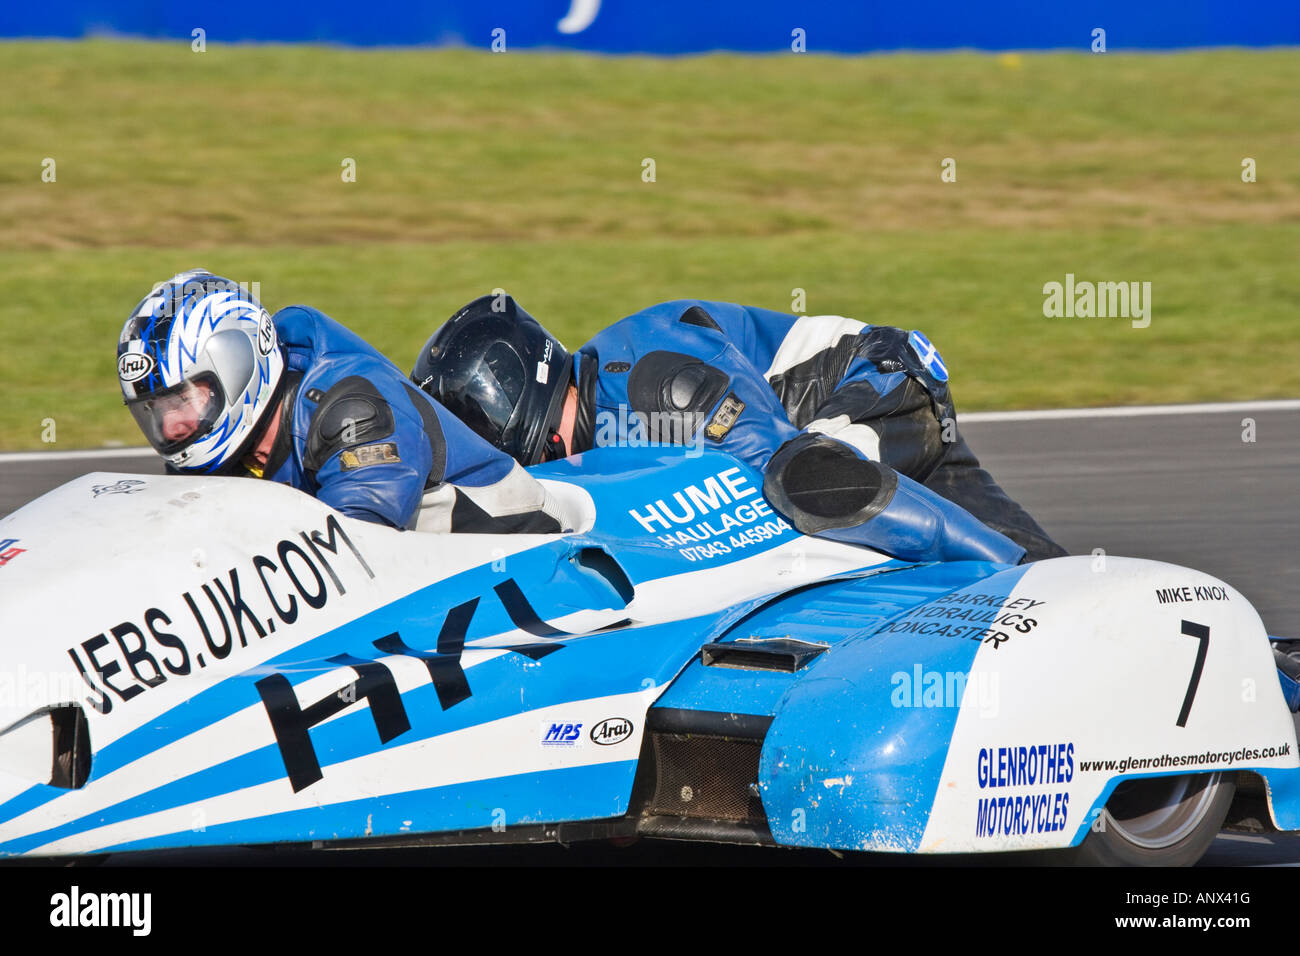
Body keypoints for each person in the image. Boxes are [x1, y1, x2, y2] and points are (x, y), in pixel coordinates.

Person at [411, 295, 1069, 564]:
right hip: (827, 430)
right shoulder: (593, 422)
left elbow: (783, 460)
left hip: (872, 389)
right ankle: (1036, 580)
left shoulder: (653, 380)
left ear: (504, 400)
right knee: (1052, 580)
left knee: (799, 490)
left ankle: (1004, 570)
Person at [117, 271, 570, 533]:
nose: (172, 428)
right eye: (154, 413)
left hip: (522, 569)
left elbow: (355, 551)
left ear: (237, 366)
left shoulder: (352, 410)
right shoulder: (212, 458)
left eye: (184, 400)